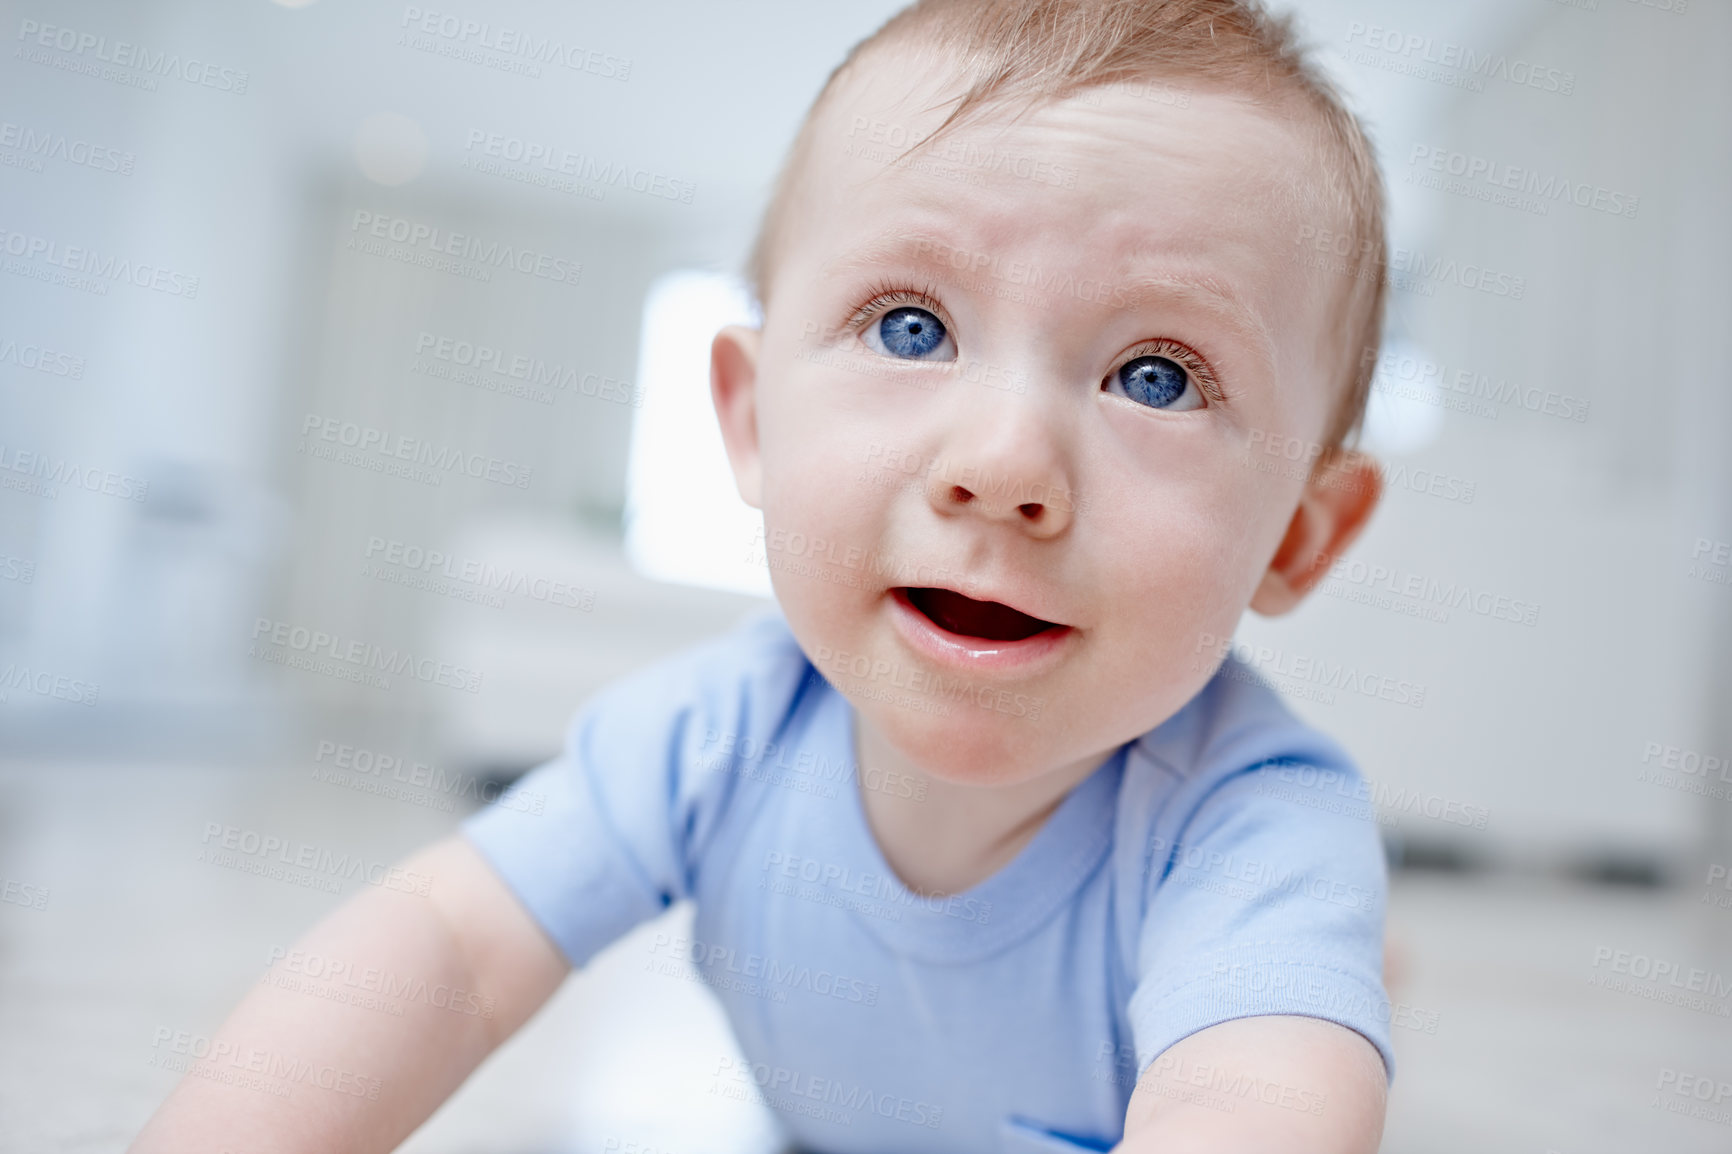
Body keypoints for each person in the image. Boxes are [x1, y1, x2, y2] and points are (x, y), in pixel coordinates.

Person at [132, 0, 1398, 1149]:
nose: (1004, 463)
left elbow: (1252, 1102)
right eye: (914, 327)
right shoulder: (719, 732)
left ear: (1299, 532)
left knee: (1301, 990)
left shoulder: (1254, 830)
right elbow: (451, 946)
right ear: (750, 418)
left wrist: (1283, 1044)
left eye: (1158, 376)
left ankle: (1348, 972)